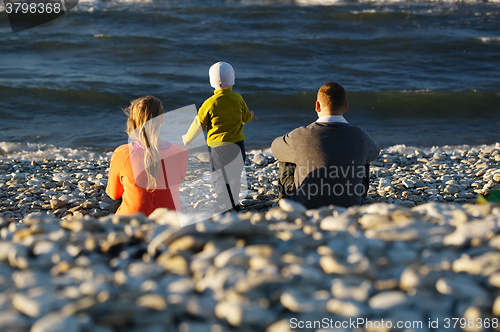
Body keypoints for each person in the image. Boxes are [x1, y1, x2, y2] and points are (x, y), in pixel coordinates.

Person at [271, 81, 380, 209]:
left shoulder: (300, 135)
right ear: (346, 106)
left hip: (304, 206)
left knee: (286, 158)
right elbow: (375, 152)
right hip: (350, 207)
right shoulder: (360, 135)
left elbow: (275, 148)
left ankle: (286, 203)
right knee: (364, 159)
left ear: (317, 106)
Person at [182, 61, 258, 213]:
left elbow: (199, 123)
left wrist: (188, 138)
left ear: (211, 83)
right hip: (238, 145)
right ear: (233, 80)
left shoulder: (210, 103)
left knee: (220, 177)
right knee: (235, 175)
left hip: (218, 148)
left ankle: (224, 205)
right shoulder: (238, 99)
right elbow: (245, 116)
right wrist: (251, 117)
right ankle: (234, 204)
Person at [107, 96, 188, 216]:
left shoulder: (122, 153)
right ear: (162, 119)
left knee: (114, 199)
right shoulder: (180, 152)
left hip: (133, 221)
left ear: (132, 120)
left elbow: (113, 193)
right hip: (169, 220)